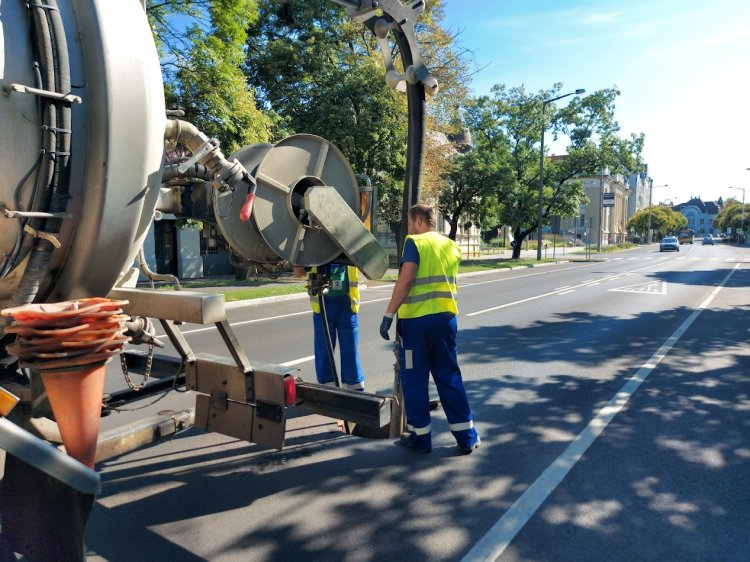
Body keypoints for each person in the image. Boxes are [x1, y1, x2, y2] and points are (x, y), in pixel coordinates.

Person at [379, 204, 479, 454]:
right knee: (449, 376)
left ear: (418, 221)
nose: (408, 228)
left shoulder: (415, 242)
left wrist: (389, 314)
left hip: (416, 324)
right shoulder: (450, 245)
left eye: (409, 222)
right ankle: (467, 437)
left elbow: (406, 279)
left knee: (415, 380)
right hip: (445, 321)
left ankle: (421, 438)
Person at [293, 263, 365, 391]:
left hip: (347, 305)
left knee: (350, 352)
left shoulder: (349, 249)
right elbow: (298, 272)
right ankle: (328, 392)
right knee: (324, 352)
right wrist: (302, 261)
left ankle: (355, 390)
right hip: (322, 306)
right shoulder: (314, 250)